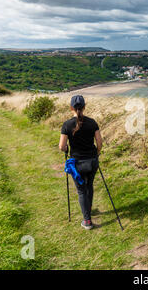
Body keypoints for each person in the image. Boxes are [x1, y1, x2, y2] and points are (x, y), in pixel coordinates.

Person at [59, 95, 103, 230]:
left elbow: (62, 146)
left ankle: (87, 220)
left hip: (76, 163)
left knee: (81, 191)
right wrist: (97, 153)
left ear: (71, 108)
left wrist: (67, 149)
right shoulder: (92, 122)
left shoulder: (67, 125)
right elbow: (99, 143)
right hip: (92, 161)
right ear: (84, 107)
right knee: (89, 186)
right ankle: (88, 209)